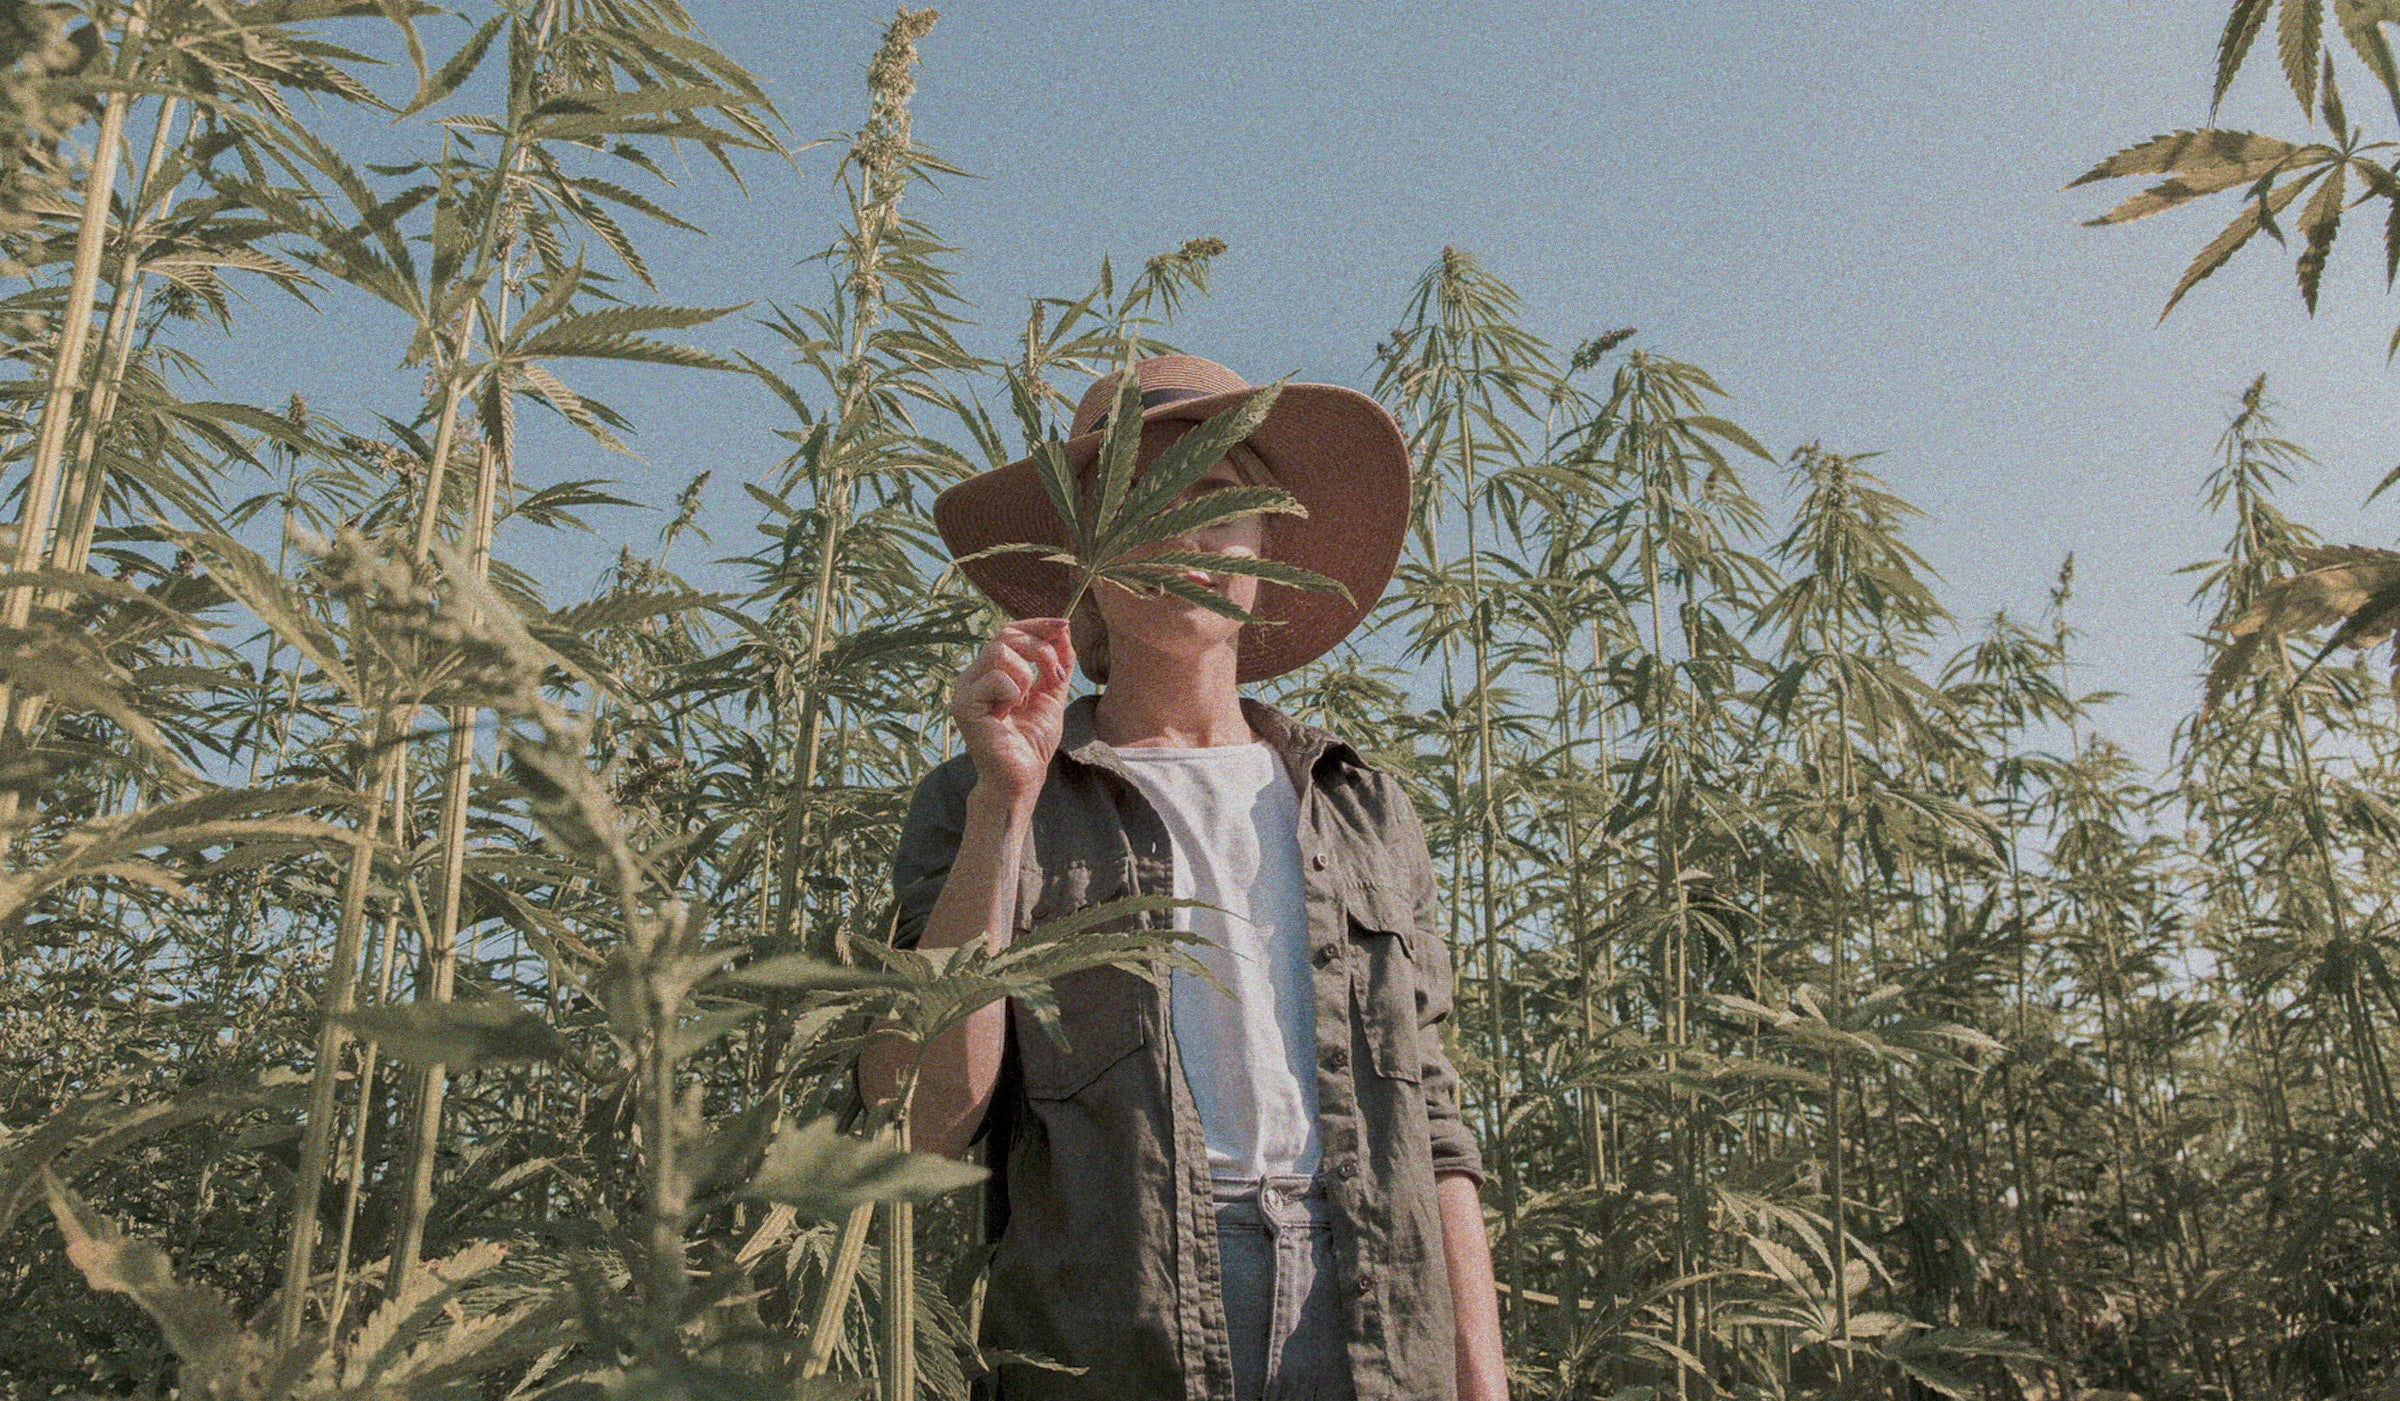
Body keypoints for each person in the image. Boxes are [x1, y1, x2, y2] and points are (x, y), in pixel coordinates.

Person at [857, 354, 1507, 1401]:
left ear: (1269, 536)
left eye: (1216, 497)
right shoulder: (987, 797)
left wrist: (1484, 1382)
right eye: (1139, 502)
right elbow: (923, 1118)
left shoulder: (1360, 805)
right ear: (1083, 551)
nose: (1187, 533)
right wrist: (1002, 808)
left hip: (1375, 1315)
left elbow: (1432, 1125)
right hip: (1119, 1330)